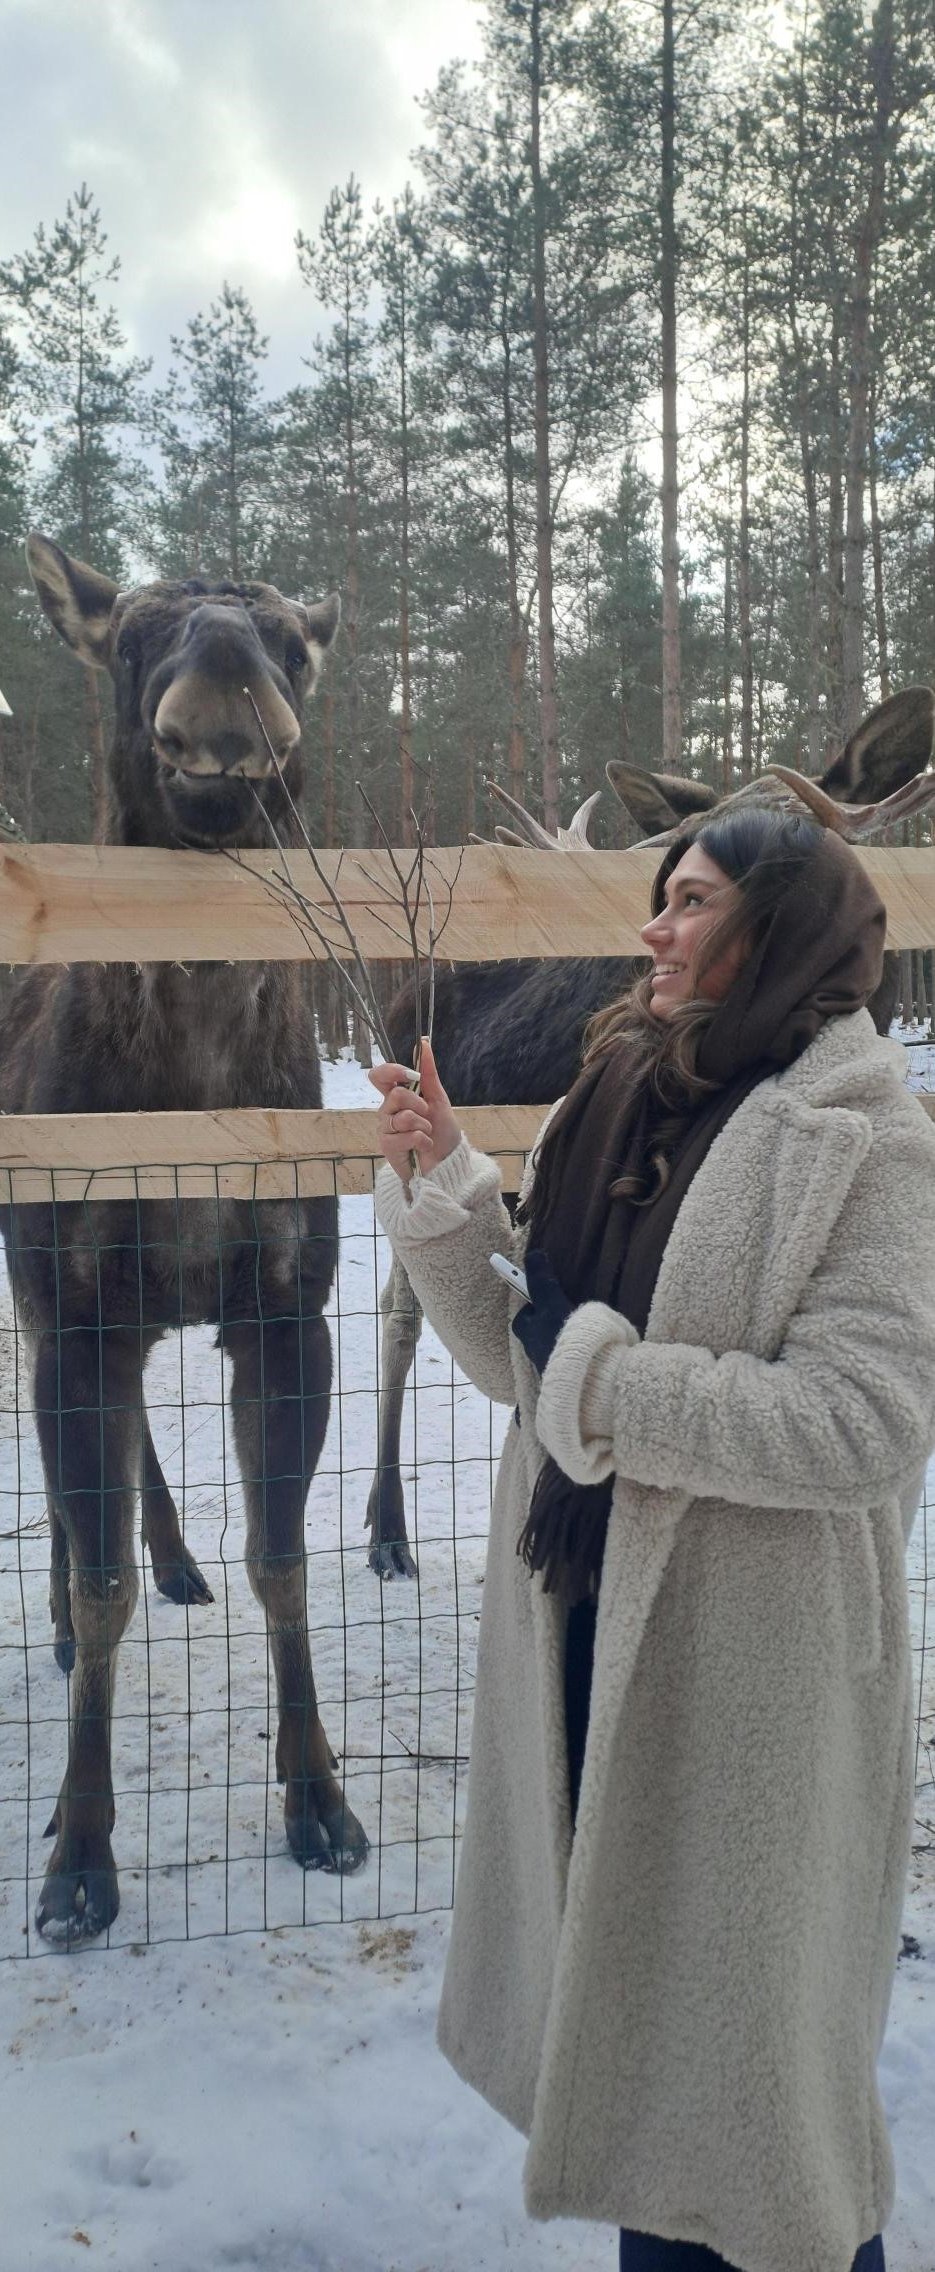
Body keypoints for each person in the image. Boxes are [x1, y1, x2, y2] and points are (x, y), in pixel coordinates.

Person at [369, 808, 935, 2272]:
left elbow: (863, 1421)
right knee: (643, 2083)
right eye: (660, 898)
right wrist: (448, 1195)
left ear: (781, 928)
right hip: (582, 1626)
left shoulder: (866, 1136)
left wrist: (606, 1386)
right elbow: (527, 1364)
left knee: (755, 2137)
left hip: (747, 1677)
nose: (652, 930)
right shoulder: (615, 1089)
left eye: (690, 901)